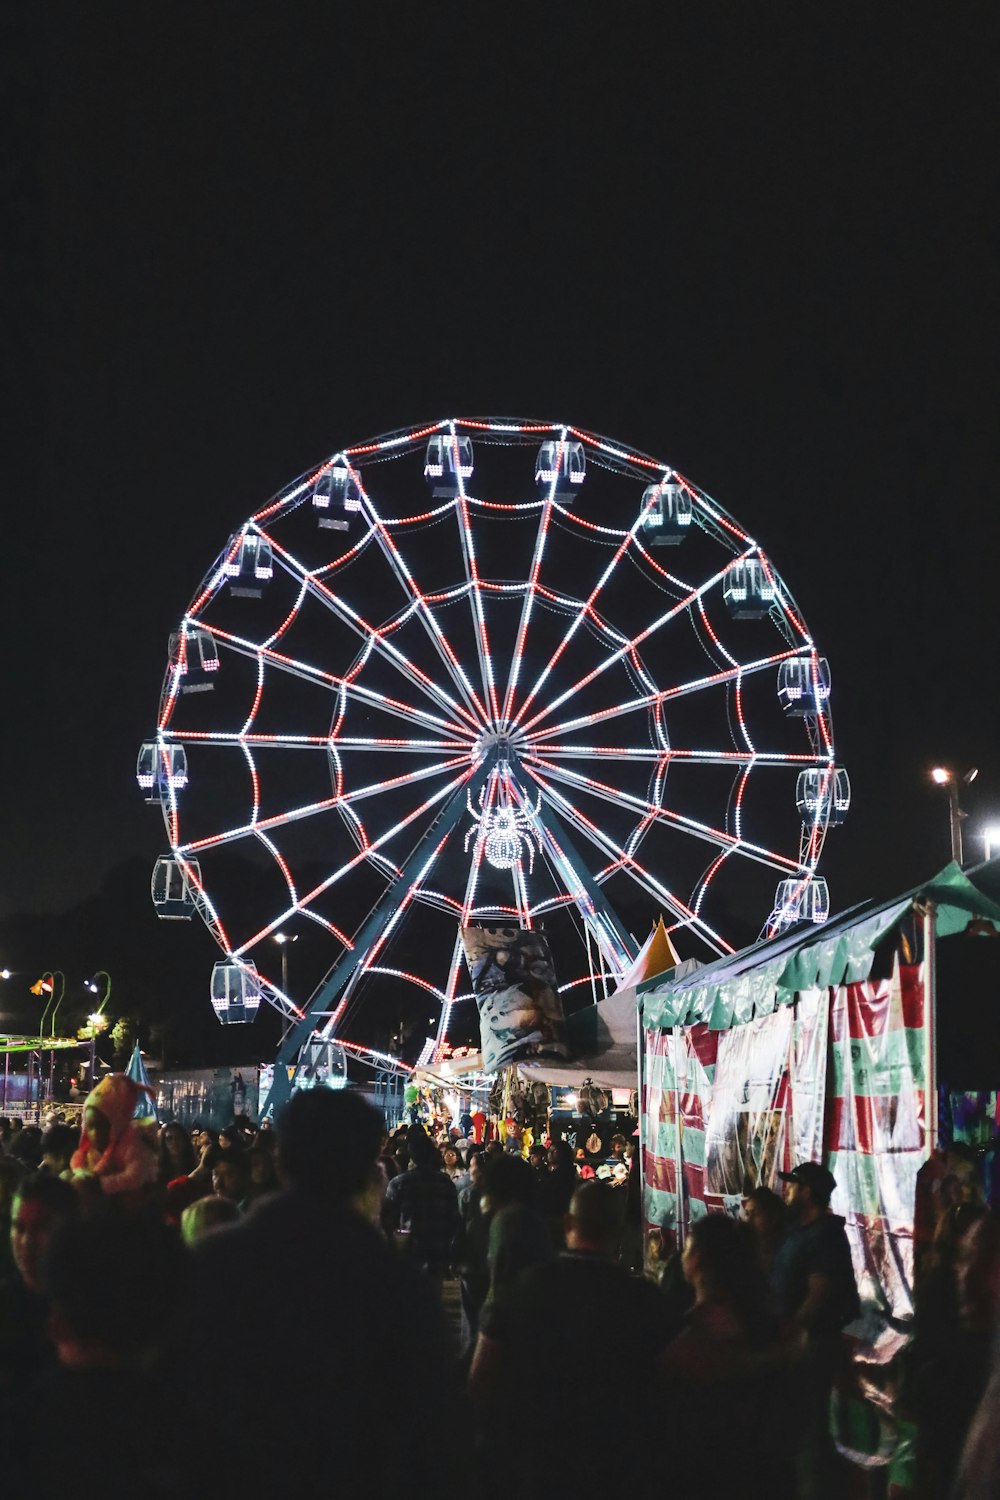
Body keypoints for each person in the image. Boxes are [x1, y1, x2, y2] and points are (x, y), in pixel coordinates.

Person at [184, 1090, 457, 1498]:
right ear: (371, 1167)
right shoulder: (396, 1287)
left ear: (279, 1159)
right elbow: (433, 1438)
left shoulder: (214, 1262)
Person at [469, 1182, 673, 1494]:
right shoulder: (645, 1300)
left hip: (533, 1462)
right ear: (619, 1232)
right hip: (615, 1467)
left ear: (567, 1223)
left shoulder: (517, 1291)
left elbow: (481, 1379)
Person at [660, 1214, 795, 1497]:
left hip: (705, 1475)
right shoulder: (768, 1324)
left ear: (696, 1259)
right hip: (763, 1474)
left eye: (686, 1249)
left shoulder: (689, 1332)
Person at [771, 1161, 859, 1499]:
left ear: (806, 1191)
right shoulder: (799, 1231)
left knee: (812, 1434)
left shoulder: (825, 1236)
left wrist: (791, 1335)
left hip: (812, 1347)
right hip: (798, 1347)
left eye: (792, 1185)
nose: (787, 1190)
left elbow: (818, 1293)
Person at [380, 1123, 461, 1278]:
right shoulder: (445, 1183)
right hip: (437, 1247)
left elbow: (388, 1218)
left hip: (408, 1248)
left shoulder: (399, 1183)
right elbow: (454, 1218)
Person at [69, 1072, 159, 1201]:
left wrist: (99, 1184)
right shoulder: (90, 1151)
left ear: (115, 1123)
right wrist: (81, 1174)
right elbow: (79, 1165)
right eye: (90, 1126)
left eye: (101, 1125)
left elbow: (134, 1177)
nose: (95, 1132)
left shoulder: (134, 1146)